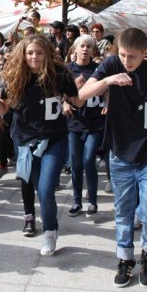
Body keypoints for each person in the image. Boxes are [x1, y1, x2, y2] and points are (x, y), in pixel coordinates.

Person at [78, 28, 147, 288]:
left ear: (145, 52)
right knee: (123, 211)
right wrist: (109, 80)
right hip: (120, 152)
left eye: (134, 57)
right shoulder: (112, 64)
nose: (128, 62)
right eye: (124, 55)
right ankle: (124, 258)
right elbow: (83, 95)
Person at [0, 34, 81, 256]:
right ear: (23, 54)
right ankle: (42, 222)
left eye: (39, 52)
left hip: (55, 139)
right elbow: (5, 114)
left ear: (47, 53)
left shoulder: (59, 74)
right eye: (30, 53)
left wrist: (98, 84)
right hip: (26, 142)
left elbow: (77, 99)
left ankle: (50, 231)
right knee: (38, 188)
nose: (35, 57)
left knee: (46, 190)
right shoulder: (15, 77)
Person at [65, 35, 105, 218]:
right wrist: (64, 103)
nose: (85, 49)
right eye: (82, 45)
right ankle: (76, 201)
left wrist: (108, 103)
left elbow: (107, 89)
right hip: (74, 123)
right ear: (75, 49)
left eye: (89, 46)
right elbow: (58, 92)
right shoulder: (68, 70)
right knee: (76, 163)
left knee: (89, 160)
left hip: (95, 123)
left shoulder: (98, 69)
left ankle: (93, 202)